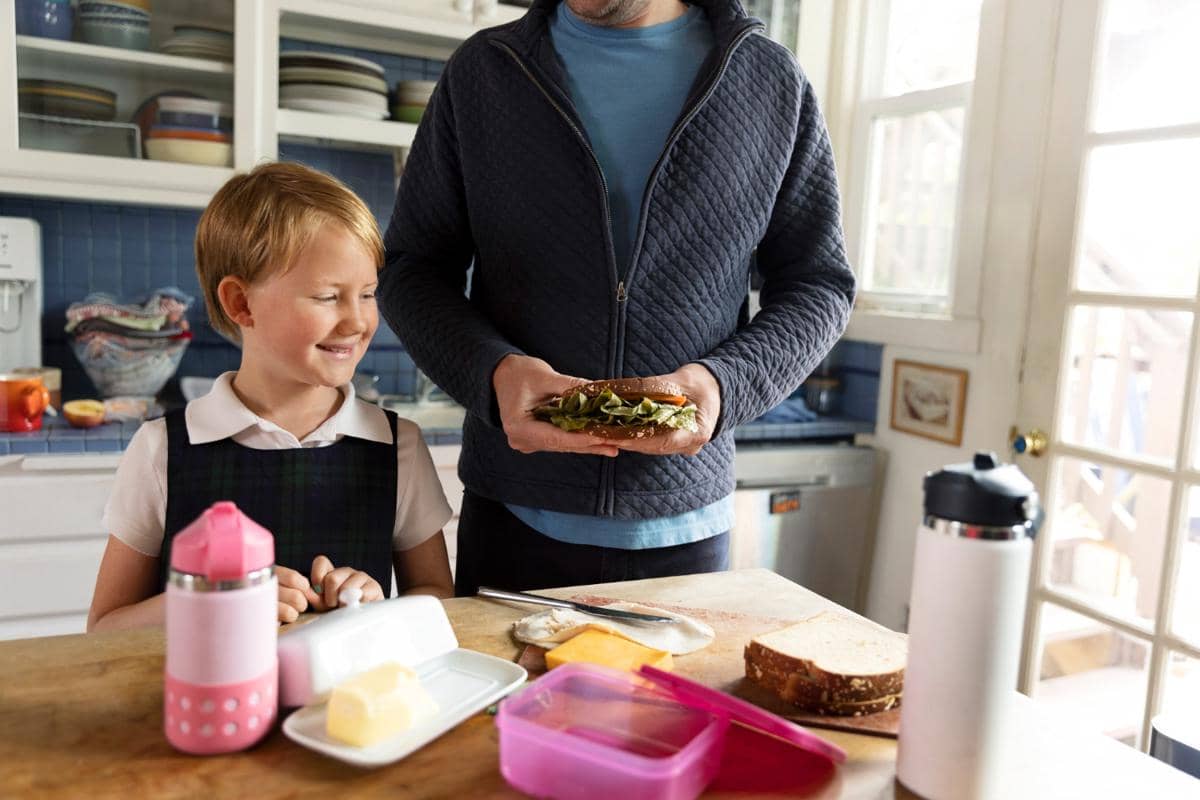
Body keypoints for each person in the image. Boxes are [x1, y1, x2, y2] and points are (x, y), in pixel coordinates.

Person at [380, 0, 855, 596]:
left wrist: (721, 385)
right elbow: (410, 268)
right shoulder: (485, 71)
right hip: (513, 520)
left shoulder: (770, 81)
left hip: (686, 532)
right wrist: (493, 374)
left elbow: (820, 285)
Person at [88, 162, 454, 632]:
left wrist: (378, 603)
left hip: (342, 705)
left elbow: (439, 596)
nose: (358, 321)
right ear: (241, 303)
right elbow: (104, 629)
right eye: (327, 297)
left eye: (367, 294)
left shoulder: (397, 446)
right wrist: (208, 604)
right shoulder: (162, 450)